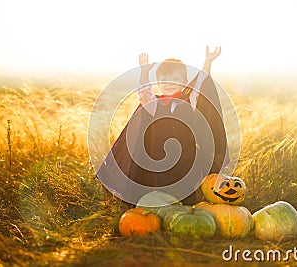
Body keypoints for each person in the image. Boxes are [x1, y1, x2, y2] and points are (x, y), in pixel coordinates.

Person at [96, 46, 229, 206]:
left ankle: (186, 210)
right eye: (163, 80)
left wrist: (208, 62)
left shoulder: (190, 101)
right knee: (159, 191)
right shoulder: (154, 104)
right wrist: (144, 71)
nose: (169, 84)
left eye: (175, 79)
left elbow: (201, 83)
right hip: (158, 160)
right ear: (158, 83)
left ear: (184, 82)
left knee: (185, 192)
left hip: (186, 158)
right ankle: (158, 209)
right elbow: (143, 92)